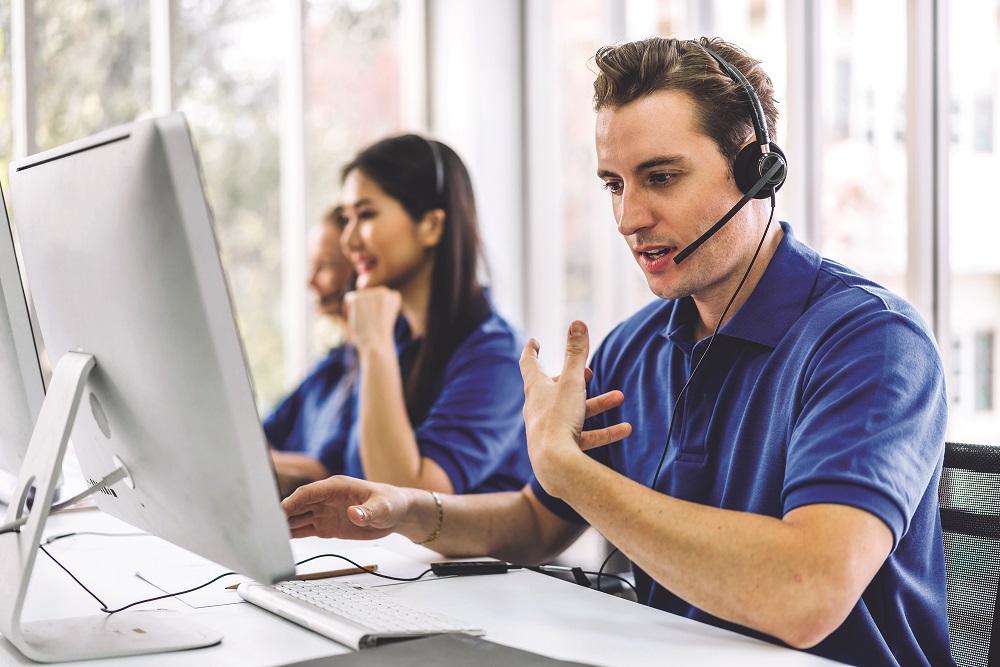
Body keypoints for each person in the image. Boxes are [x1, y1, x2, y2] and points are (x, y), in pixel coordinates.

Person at [282, 37, 953, 667]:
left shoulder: (873, 343)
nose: (629, 217)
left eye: (660, 177)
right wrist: (412, 510)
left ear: (755, 168)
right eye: (614, 184)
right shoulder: (638, 343)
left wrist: (572, 469)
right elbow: (536, 521)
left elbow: (805, 593)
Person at [331, 133, 531, 496]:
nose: (348, 240)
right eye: (346, 219)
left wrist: (374, 343)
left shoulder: (498, 356)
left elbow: (406, 500)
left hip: (460, 555)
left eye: (366, 215)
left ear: (432, 226)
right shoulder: (402, 340)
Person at [265, 206, 357, 498]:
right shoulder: (329, 367)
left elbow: (330, 472)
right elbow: (262, 435)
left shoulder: (379, 373)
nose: (310, 280)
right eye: (311, 265)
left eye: (326, 266)